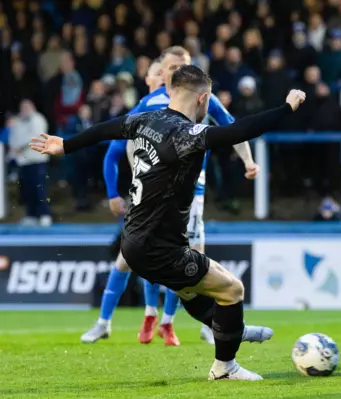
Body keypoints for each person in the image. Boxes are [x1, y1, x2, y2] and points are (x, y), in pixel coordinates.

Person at [30, 65, 306, 381]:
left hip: (133, 241)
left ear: (170, 91)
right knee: (232, 289)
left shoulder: (145, 120)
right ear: (203, 99)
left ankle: (231, 329)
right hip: (158, 248)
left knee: (190, 292)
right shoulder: (187, 135)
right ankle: (225, 367)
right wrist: (288, 107)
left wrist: (65, 145)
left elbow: (105, 129)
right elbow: (240, 130)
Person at [81, 48, 267, 347]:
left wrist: (247, 160)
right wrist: (115, 190)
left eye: (183, 66)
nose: (176, 70)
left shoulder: (200, 97)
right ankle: (111, 321)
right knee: (142, 259)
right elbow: (114, 148)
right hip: (157, 193)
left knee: (189, 259)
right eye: (171, 66)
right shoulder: (149, 105)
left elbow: (233, 128)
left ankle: (175, 322)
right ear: (162, 72)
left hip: (194, 190)